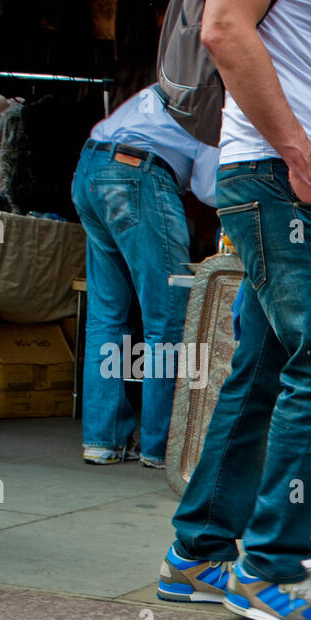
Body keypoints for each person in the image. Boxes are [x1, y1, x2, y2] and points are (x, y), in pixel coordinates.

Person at [157, 0, 311, 620]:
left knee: (260, 375)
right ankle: (271, 571)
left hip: (299, 184)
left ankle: (197, 554)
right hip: (277, 179)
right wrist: (303, 159)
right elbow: (223, 27)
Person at [71, 85, 218, 467]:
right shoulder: (221, 99)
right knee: (167, 318)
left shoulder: (176, 81)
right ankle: (162, 446)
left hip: (91, 167)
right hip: (138, 173)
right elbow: (208, 186)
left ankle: (102, 441)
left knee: (107, 316)